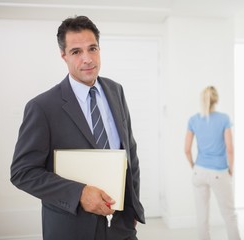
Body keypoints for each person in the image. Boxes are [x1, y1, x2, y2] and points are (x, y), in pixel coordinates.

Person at [10, 16, 145, 240]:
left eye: (92, 48)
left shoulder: (116, 91)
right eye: (76, 52)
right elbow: (22, 173)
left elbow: (131, 155)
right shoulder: (42, 107)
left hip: (122, 228)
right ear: (63, 56)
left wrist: (133, 210)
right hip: (71, 228)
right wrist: (80, 193)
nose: (87, 59)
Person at [184, 86, 241, 240]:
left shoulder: (194, 119)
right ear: (216, 100)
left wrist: (194, 166)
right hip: (219, 172)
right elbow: (230, 149)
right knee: (229, 215)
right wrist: (231, 169)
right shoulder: (224, 119)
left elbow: (187, 149)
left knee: (202, 218)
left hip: (199, 172)